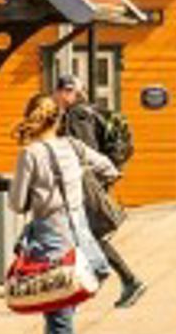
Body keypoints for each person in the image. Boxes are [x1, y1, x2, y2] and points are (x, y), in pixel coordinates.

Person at [10, 92, 119, 334]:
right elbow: (109, 168)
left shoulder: (31, 155)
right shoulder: (73, 147)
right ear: (58, 120)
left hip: (53, 254)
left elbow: (16, 203)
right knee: (57, 330)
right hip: (85, 250)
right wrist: (78, 190)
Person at [55, 74, 146, 307]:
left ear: (70, 92)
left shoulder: (77, 114)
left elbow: (85, 150)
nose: (59, 96)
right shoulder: (87, 111)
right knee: (86, 233)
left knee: (89, 233)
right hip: (92, 181)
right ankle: (101, 280)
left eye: (63, 91)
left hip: (86, 183)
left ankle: (125, 279)